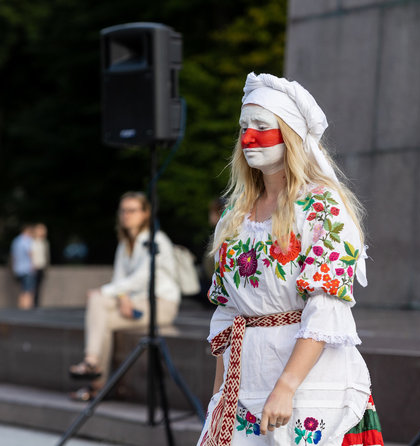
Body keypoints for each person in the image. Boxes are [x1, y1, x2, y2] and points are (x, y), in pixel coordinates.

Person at [197, 73, 383, 446]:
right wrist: (219, 394)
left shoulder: (321, 208)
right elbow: (227, 312)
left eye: (262, 127)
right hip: (245, 379)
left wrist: (286, 386)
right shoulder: (235, 213)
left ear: (291, 136)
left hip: (307, 382)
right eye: (244, 128)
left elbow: (326, 305)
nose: (248, 138)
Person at [68, 191, 181, 401]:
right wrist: (122, 298)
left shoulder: (156, 240)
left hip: (161, 305)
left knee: (97, 302)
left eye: (132, 210)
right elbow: (120, 279)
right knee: (100, 317)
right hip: (136, 302)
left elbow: (144, 276)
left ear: (145, 213)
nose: (126, 215)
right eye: (123, 211)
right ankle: (94, 372)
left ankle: (96, 381)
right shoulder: (124, 244)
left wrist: (105, 292)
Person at [10, 224, 35, 310]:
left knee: (22, 290)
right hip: (27, 268)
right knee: (28, 290)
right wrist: (33, 264)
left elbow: (13, 256)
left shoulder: (16, 240)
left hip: (18, 268)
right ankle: (27, 309)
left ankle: (21, 308)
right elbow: (30, 253)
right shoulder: (27, 240)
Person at [31, 222, 50, 307]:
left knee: (39, 287)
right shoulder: (31, 241)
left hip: (41, 266)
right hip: (33, 267)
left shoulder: (45, 242)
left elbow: (46, 255)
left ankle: (36, 304)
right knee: (32, 287)